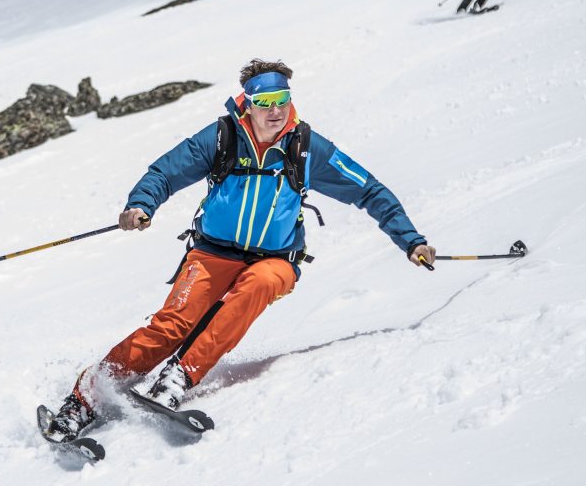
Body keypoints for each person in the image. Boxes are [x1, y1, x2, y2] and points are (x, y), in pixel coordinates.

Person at [42, 59, 437, 442]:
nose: (276, 110)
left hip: (276, 259)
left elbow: (367, 188)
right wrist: (141, 205)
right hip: (212, 253)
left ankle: (180, 375)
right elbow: (165, 171)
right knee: (170, 327)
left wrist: (411, 240)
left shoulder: (305, 146)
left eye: (282, 99)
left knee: (261, 283)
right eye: (265, 102)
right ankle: (83, 399)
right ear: (247, 102)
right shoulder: (222, 136)